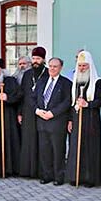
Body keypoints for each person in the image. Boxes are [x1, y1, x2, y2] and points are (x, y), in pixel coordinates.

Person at [66, 51, 101, 187]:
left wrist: (88, 104)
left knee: (89, 148)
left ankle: (90, 178)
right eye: (80, 65)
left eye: (84, 66)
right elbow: (72, 103)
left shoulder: (97, 82)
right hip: (77, 119)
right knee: (76, 147)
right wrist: (70, 120)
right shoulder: (75, 83)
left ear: (90, 66)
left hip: (91, 119)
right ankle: (75, 176)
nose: (82, 68)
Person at [35, 57, 72, 185]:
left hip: (57, 122)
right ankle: (47, 175)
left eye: (55, 66)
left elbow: (67, 102)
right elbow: (33, 98)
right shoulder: (41, 81)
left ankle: (59, 176)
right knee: (45, 150)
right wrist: (37, 110)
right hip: (41, 121)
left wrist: (53, 113)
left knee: (58, 151)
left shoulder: (66, 83)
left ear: (61, 68)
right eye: (50, 66)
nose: (52, 68)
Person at [17, 47, 48, 178]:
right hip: (28, 111)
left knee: (41, 141)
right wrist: (19, 112)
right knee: (28, 141)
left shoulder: (47, 73)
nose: (35, 61)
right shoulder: (27, 74)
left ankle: (41, 171)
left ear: (43, 60)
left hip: (42, 111)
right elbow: (22, 94)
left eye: (38, 59)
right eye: (34, 58)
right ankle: (28, 171)